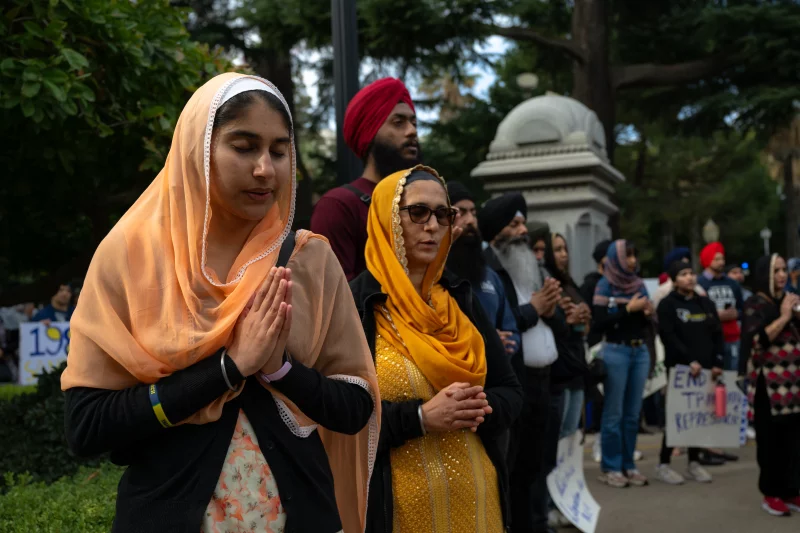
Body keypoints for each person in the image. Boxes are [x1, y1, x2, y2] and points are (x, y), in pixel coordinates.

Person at [61, 74, 379, 533]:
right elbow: (87, 426)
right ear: (198, 150)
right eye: (244, 146)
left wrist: (279, 370)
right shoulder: (130, 257)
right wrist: (229, 368)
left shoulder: (308, 260)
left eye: (279, 150)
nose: (265, 169)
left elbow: (354, 408)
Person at [350, 166, 523, 533]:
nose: (432, 225)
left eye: (443, 214)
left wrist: (477, 409)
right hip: (396, 511)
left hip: (478, 503)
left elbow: (510, 390)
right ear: (386, 220)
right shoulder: (355, 305)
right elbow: (337, 420)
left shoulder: (460, 299)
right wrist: (421, 419)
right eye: (417, 212)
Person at [480, 193, 566, 533]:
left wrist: (559, 311)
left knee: (535, 466)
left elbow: (548, 319)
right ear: (496, 231)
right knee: (512, 470)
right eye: (513, 224)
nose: (522, 231)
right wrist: (535, 309)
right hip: (516, 383)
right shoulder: (489, 272)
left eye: (523, 223)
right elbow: (498, 325)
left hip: (545, 381)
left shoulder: (531, 266)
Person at [310, 78, 420, 281]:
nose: (412, 131)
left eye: (414, 123)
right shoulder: (339, 206)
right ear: (370, 133)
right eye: (398, 122)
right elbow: (334, 298)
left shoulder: (424, 203)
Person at [740, 254, 800, 517]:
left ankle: (791, 490)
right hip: (769, 385)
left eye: (784, 269)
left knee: (793, 442)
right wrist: (785, 315)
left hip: (793, 384)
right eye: (776, 270)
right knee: (771, 442)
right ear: (765, 274)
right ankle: (771, 493)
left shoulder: (788, 299)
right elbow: (758, 341)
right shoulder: (756, 304)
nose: (782, 275)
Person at [655, 261, 724, 485]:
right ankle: (663, 464)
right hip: (681, 369)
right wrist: (688, 360)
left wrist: (716, 361)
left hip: (705, 370)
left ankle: (694, 462)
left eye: (691, 273)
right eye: (683, 274)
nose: (690, 278)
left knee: (698, 417)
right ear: (674, 280)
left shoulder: (705, 303)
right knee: (677, 416)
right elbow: (668, 336)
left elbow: (717, 333)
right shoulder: (667, 305)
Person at [592, 240, 653, 488]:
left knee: (631, 414)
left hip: (640, 352)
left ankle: (629, 465)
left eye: (633, 255)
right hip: (616, 352)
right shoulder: (605, 285)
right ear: (615, 258)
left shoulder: (638, 283)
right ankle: (611, 466)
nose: (631, 260)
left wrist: (648, 312)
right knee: (614, 413)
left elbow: (647, 317)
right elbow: (599, 323)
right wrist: (629, 308)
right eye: (627, 256)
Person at [446, 181, 520, 357]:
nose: (470, 220)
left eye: (473, 212)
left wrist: (506, 345)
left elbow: (511, 330)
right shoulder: (432, 275)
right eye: (461, 212)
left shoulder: (491, 277)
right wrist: (486, 344)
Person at [544, 233, 590, 438]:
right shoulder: (547, 284)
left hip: (575, 361)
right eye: (557, 250)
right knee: (557, 431)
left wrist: (584, 318)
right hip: (558, 365)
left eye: (565, 249)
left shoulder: (570, 283)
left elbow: (585, 328)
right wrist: (564, 318)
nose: (563, 254)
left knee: (571, 430)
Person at [697, 242, 744, 373]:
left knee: (733, 374)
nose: (721, 262)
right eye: (716, 259)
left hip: (733, 337)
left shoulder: (732, 283)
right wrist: (717, 316)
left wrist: (737, 314)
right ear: (707, 260)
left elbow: (742, 308)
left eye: (722, 258)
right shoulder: (700, 283)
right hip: (710, 339)